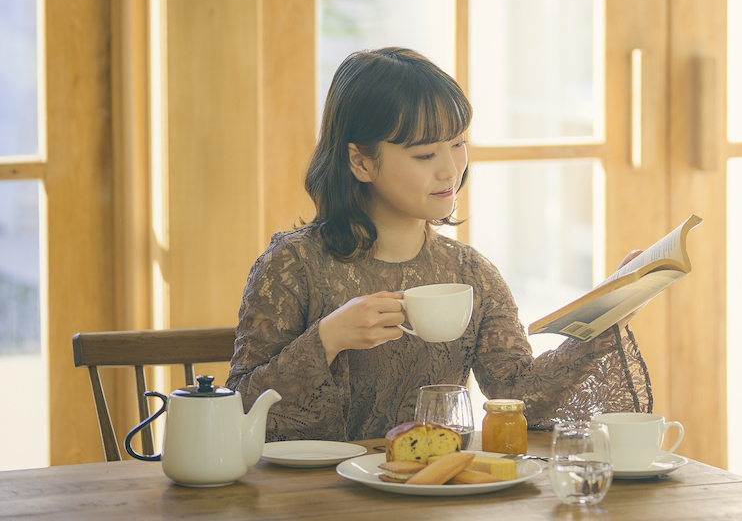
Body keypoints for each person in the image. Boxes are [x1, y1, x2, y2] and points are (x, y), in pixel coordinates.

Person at [227, 47, 652, 442]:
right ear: (360, 161)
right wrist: (327, 339)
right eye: (425, 155)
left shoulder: (470, 273)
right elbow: (238, 410)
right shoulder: (293, 266)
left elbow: (520, 394)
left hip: (439, 489)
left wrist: (607, 314)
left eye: (458, 144)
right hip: (312, 500)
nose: (451, 170)